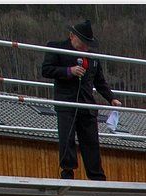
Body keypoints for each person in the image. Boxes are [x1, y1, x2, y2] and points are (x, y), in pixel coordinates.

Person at [41, 20, 121, 180]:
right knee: (67, 138)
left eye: (87, 44)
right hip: (66, 102)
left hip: (87, 104)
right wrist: (68, 71)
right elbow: (46, 70)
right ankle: (67, 171)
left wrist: (111, 98)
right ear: (72, 36)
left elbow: (99, 81)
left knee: (91, 141)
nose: (85, 47)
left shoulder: (92, 58)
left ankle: (96, 176)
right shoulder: (57, 48)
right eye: (82, 42)